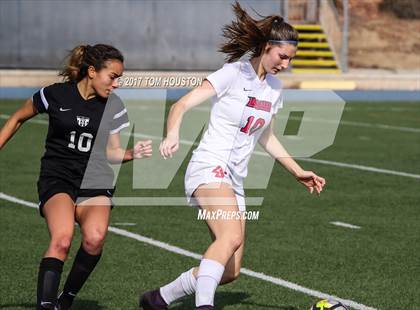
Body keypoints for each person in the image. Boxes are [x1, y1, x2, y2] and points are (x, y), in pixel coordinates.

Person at [139, 2, 325, 310]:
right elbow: (180, 105)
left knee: (231, 270)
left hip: (234, 180)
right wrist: (172, 133)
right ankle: (204, 306)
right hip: (209, 166)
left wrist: (297, 171)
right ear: (266, 47)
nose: (286, 64)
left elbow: (266, 135)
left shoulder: (274, 90)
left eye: (291, 59)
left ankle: (159, 298)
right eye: (282, 56)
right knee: (229, 237)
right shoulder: (232, 74)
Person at [0, 44, 152, 309]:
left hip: (95, 181)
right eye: (113, 76)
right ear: (92, 71)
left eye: (120, 78)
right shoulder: (55, 95)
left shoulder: (113, 106)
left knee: (94, 239)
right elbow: (16, 119)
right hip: (57, 178)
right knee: (62, 239)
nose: (116, 84)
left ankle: (65, 300)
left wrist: (131, 153)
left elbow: (113, 152)